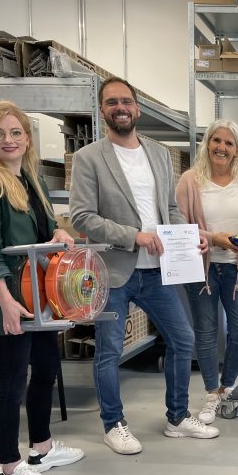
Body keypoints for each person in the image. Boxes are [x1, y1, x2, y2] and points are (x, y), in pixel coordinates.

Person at [70, 77, 218, 455]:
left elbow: (168, 209)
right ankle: (113, 424)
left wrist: (190, 235)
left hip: (158, 270)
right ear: (103, 111)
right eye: (112, 102)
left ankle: (177, 417)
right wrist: (133, 235)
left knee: (182, 339)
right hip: (115, 271)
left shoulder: (158, 153)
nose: (120, 107)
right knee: (109, 350)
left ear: (136, 108)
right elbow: (83, 217)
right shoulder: (89, 158)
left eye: (126, 101)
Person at [0, 101, 84, 475]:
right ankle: (8, 471)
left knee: (46, 370)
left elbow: (46, 232)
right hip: (4, 299)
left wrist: (60, 235)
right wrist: (4, 300)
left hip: (36, 294)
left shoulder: (31, 180)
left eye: (15, 132)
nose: (8, 140)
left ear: (27, 138)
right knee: (11, 383)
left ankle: (41, 450)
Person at [175, 119, 238, 423]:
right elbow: (179, 224)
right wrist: (215, 238)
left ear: (237, 150)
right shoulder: (190, 180)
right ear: (207, 144)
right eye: (216, 141)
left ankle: (227, 385)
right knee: (207, 330)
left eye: (228, 143)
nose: (221, 148)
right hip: (202, 269)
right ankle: (213, 393)